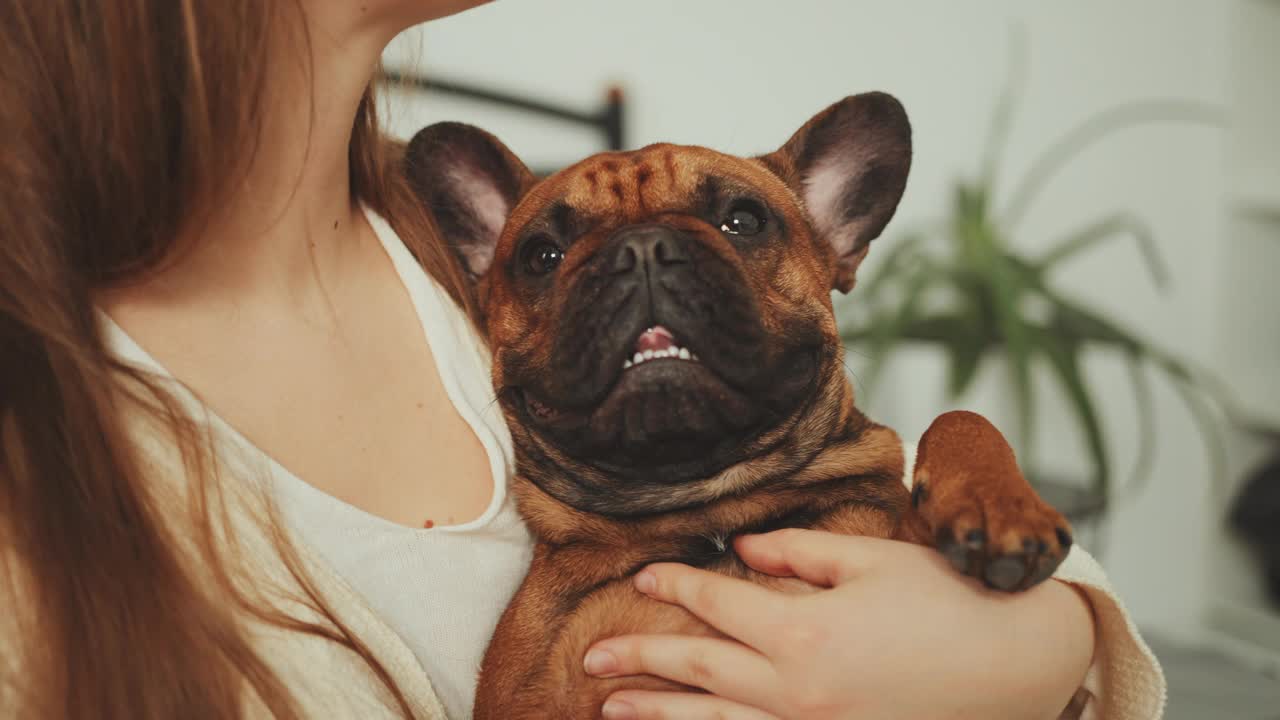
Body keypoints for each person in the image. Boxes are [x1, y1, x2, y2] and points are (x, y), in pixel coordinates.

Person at [0, 2, 1165, 719]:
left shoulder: (430, 266)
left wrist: (1038, 643)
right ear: (489, 276)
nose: (646, 268)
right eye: (555, 250)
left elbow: (1034, 588)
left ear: (836, 245)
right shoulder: (50, 434)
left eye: (742, 225)